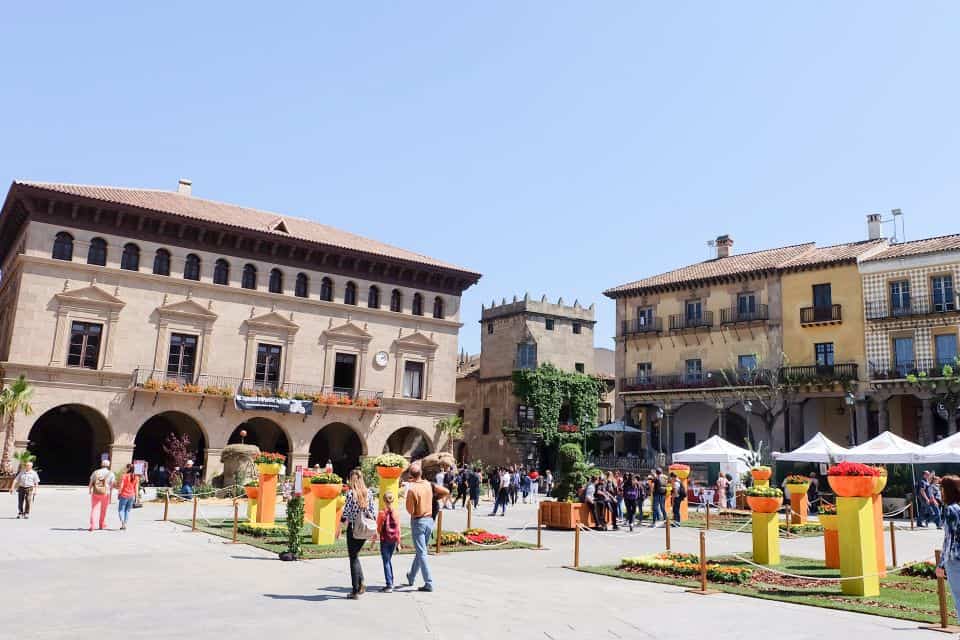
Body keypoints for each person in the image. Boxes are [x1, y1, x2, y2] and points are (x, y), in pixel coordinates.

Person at [341, 469, 376, 599]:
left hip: (354, 528)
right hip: (366, 528)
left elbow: (346, 513)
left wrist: (340, 526)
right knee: (356, 556)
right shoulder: (369, 493)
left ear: (352, 479)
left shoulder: (351, 494)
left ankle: (355, 590)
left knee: (353, 558)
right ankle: (361, 584)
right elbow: (373, 511)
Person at [405, 462, 440, 592]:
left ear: (410, 475)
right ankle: (411, 576)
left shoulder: (412, 489)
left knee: (422, 552)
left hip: (418, 521)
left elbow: (409, 509)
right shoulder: (428, 485)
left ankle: (428, 582)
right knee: (421, 551)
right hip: (429, 520)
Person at [935, 475, 960, 617]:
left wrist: (941, 564)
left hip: (955, 560)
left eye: (942, 488)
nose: (940, 492)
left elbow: (949, 539)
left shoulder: (950, 510)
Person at [376, 490, 402, 592]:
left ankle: (389, 584)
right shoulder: (396, 513)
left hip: (385, 539)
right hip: (393, 539)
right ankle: (391, 581)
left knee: (386, 562)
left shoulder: (382, 513)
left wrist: (374, 540)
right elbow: (399, 529)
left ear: (383, 501)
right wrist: (399, 543)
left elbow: (378, 528)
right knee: (388, 560)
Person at [89, 459, 115, 531]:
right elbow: (112, 485)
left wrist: (90, 490)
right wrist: (111, 494)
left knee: (94, 509)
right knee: (103, 510)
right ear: (108, 465)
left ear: (101, 465)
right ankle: (101, 524)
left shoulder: (96, 472)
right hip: (105, 493)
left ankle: (92, 525)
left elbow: (91, 482)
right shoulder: (111, 473)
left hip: (96, 492)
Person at [117, 463, 139, 530]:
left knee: (121, 510)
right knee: (127, 511)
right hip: (131, 496)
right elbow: (136, 488)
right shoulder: (136, 477)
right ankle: (125, 524)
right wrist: (136, 497)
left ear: (128, 468)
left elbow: (121, 486)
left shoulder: (125, 476)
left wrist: (119, 493)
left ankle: (123, 524)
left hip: (124, 495)